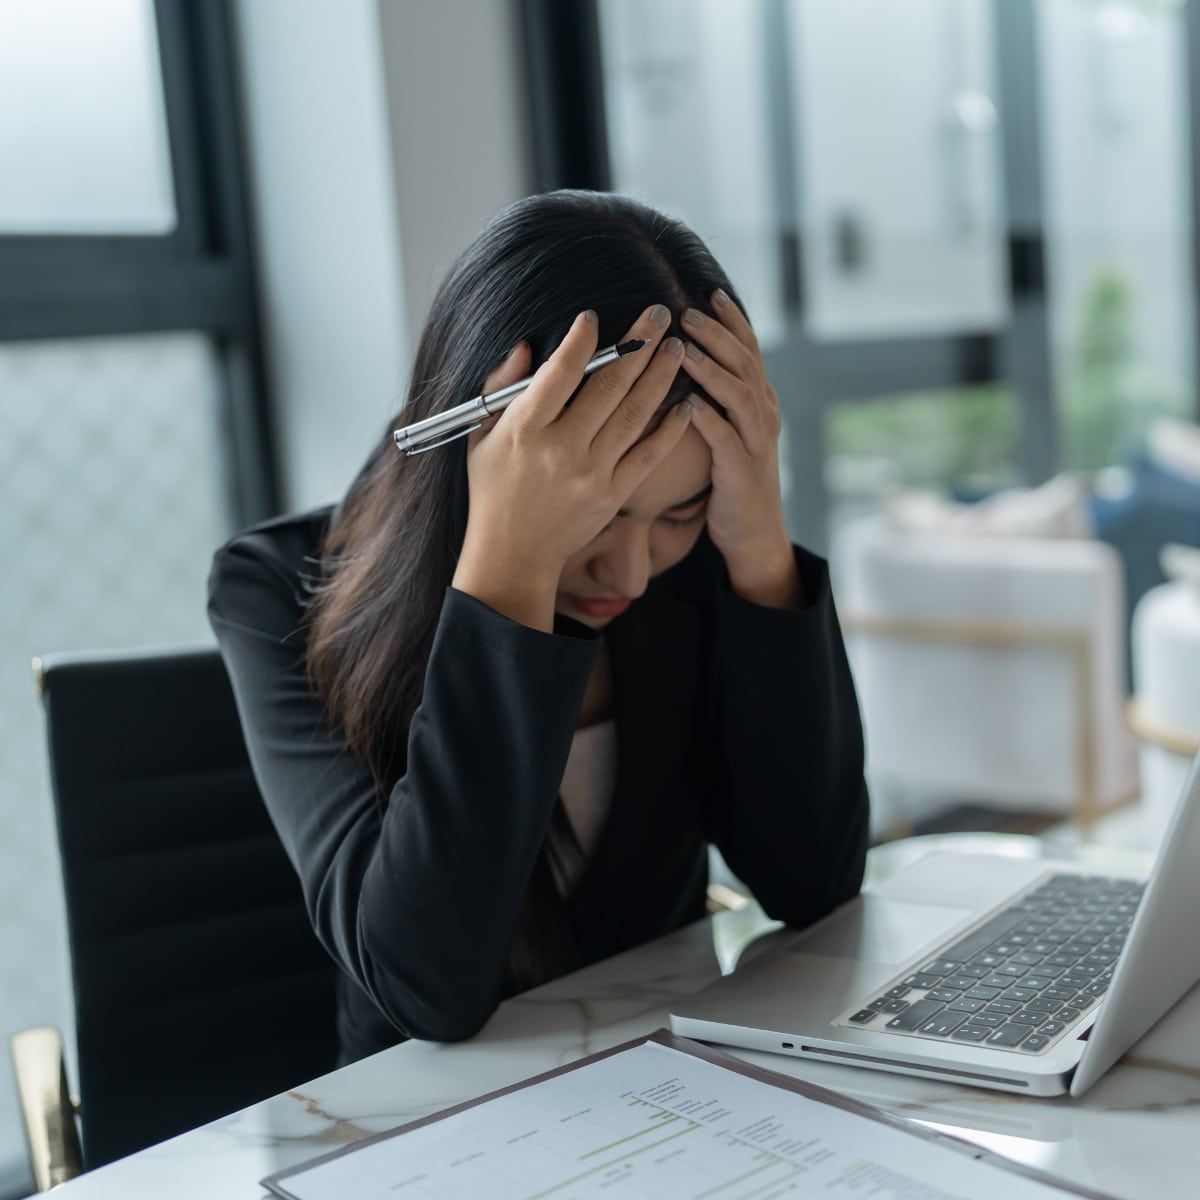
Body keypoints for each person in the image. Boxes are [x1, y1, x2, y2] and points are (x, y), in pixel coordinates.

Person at [207, 189, 869, 1066]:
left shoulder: (705, 562)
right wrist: (508, 565)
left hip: (677, 1087)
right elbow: (424, 989)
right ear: (483, 453)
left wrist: (756, 544)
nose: (631, 573)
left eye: (680, 513)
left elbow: (812, 883)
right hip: (421, 1130)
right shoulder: (274, 590)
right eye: (601, 514)